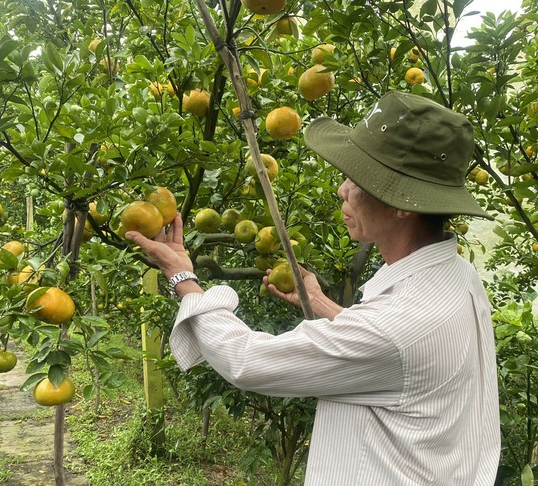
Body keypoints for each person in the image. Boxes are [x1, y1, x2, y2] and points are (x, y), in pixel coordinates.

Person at [126, 91, 500, 485]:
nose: (341, 189)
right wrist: (320, 301)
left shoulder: (396, 327)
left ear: (402, 203)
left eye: (355, 179)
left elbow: (246, 360)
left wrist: (183, 276)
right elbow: (396, 351)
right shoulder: (457, 277)